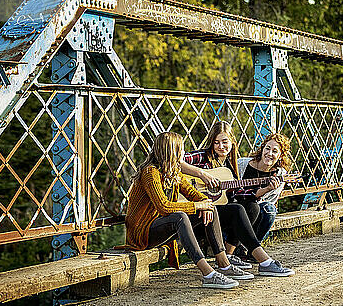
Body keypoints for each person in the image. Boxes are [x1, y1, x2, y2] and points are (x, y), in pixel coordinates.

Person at [125, 131, 253, 289]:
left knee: (210, 209)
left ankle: (224, 264)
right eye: (181, 150)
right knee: (180, 216)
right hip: (142, 232)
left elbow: (192, 193)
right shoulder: (151, 172)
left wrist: (204, 203)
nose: (184, 153)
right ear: (172, 151)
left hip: (161, 226)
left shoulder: (173, 172)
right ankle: (208, 274)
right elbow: (164, 207)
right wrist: (198, 206)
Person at [181, 122, 294, 276]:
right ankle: (264, 261)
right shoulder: (202, 156)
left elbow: (239, 194)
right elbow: (175, 160)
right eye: (216, 142)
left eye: (225, 142)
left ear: (232, 142)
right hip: (195, 214)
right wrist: (201, 174)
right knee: (237, 210)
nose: (221, 146)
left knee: (251, 206)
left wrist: (266, 189)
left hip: (212, 215)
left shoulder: (229, 165)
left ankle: (230, 255)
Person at [236, 133, 292, 244]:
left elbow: (268, 202)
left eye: (275, 151)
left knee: (269, 209)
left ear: (281, 155)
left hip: (256, 214)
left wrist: (268, 189)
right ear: (262, 149)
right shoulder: (242, 164)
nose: (269, 153)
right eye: (267, 148)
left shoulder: (280, 175)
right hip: (237, 207)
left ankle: (254, 246)